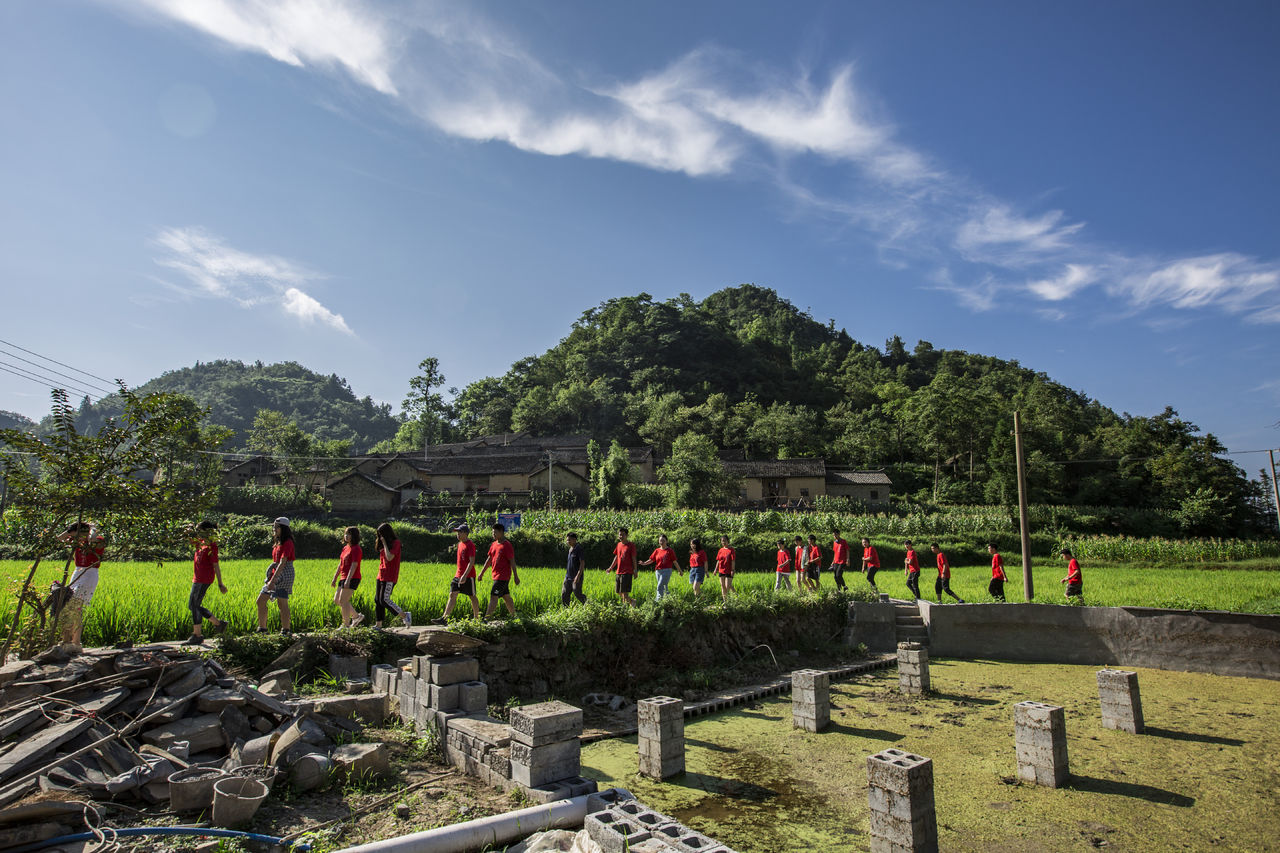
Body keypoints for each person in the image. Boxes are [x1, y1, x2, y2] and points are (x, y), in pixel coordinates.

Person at [58, 522, 105, 648]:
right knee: (70, 607)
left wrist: (92, 528)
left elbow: (93, 538)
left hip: (89, 573)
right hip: (77, 572)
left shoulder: (96, 541)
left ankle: (75, 642)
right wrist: (71, 530)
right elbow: (60, 538)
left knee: (75, 606)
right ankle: (68, 641)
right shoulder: (76, 541)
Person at [186, 521, 228, 645]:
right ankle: (218, 624)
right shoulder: (201, 542)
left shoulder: (212, 546)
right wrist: (188, 529)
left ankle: (197, 634)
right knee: (193, 606)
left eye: (200, 530)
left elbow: (216, 565)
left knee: (194, 605)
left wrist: (220, 583)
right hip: (197, 578)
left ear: (207, 531)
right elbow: (189, 539)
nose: (198, 532)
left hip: (204, 579)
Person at [257, 517, 295, 634]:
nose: (274, 529)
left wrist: (273, 580)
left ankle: (286, 630)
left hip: (284, 573)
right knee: (261, 601)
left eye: (277, 527)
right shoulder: (278, 542)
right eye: (274, 527)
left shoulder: (288, 542)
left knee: (282, 602)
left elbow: (283, 562)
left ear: (283, 528)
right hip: (276, 572)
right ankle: (262, 629)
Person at [373, 523, 410, 629]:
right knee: (378, 600)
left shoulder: (396, 543)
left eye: (382, 535)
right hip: (381, 575)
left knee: (384, 599)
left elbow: (389, 557)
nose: (380, 537)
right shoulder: (383, 544)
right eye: (379, 535)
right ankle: (378, 624)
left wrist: (384, 544)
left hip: (390, 576)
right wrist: (382, 543)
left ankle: (405, 615)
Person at [442, 524, 480, 621]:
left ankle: (477, 618)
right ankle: (444, 618)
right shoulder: (460, 544)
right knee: (452, 594)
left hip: (468, 576)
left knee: (472, 596)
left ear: (466, 533)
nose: (458, 534)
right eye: (457, 532)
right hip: (458, 575)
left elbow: (471, 562)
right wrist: (460, 575)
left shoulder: (470, 545)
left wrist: (464, 576)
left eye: (460, 532)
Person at [482, 522, 520, 619]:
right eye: (492, 533)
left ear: (501, 532)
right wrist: (481, 573)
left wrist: (516, 576)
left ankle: (487, 619)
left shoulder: (507, 545)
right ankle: (514, 616)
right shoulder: (494, 545)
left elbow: (512, 561)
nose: (493, 534)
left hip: (503, 577)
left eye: (495, 533)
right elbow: (489, 560)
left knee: (493, 596)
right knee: (506, 597)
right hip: (496, 576)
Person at [332, 526, 363, 628]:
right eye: (345, 533)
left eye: (349, 534)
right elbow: (340, 564)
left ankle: (345, 625)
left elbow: (354, 565)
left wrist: (348, 580)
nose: (346, 536)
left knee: (343, 601)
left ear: (354, 536)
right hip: (343, 577)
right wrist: (335, 578)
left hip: (352, 577)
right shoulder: (345, 548)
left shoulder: (356, 549)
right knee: (337, 600)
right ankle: (356, 616)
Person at [641, 534, 679, 601]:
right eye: (660, 540)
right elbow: (651, 560)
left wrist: (680, 570)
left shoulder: (669, 551)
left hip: (667, 570)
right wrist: (644, 563)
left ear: (666, 541)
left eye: (663, 540)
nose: (661, 542)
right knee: (664, 587)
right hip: (658, 571)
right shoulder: (657, 550)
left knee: (660, 586)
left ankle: (657, 601)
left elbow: (674, 562)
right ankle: (668, 600)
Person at [606, 527, 638, 607]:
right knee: (618, 591)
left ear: (627, 535)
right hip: (619, 571)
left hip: (627, 572)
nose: (621, 536)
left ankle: (624, 608)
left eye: (623, 535)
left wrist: (635, 570)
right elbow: (616, 557)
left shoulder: (631, 545)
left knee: (624, 592)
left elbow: (634, 558)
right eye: (620, 535)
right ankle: (632, 601)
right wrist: (610, 568)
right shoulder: (618, 545)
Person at [561, 532, 587, 607]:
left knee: (577, 593)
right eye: (567, 540)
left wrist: (578, 576)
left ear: (574, 540)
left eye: (569, 540)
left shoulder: (579, 549)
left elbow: (582, 563)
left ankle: (588, 604)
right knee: (564, 594)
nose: (567, 542)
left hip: (576, 577)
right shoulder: (570, 549)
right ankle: (566, 610)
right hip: (568, 577)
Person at [715, 535, 736, 603]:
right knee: (723, 586)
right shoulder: (720, 550)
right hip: (721, 570)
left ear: (728, 541)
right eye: (722, 541)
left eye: (724, 540)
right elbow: (718, 560)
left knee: (728, 586)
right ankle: (725, 602)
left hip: (729, 570)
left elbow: (733, 560)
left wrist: (732, 570)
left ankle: (736, 597)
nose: (723, 542)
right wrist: (716, 569)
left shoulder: (731, 550)